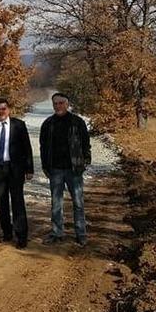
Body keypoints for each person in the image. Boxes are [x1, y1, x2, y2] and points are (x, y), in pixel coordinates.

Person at [0, 98, 34, 249]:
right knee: (2, 203)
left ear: (9, 110)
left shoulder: (19, 125)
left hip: (15, 169)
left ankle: (21, 236)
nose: (1, 111)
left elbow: (27, 148)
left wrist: (29, 169)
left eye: (4, 108)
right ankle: (7, 233)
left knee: (17, 202)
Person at [39, 93, 91, 246]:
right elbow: (43, 147)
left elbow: (85, 143)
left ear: (67, 104)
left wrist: (85, 161)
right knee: (56, 203)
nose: (58, 106)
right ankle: (57, 233)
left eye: (61, 103)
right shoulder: (48, 124)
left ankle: (81, 234)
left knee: (78, 203)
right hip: (55, 170)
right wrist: (45, 165)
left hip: (74, 169)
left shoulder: (77, 122)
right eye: (55, 103)